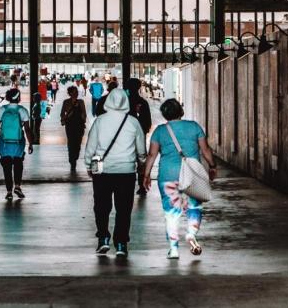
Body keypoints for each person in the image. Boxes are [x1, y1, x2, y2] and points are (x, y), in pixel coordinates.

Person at [142, 98, 217, 259]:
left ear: (164, 115)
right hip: (192, 176)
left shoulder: (160, 131)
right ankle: (191, 232)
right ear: (181, 112)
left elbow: (152, 155)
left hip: (168, 176)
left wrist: (146, 175)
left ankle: (173, 248)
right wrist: (212, 166)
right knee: (194, 207)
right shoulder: (194, 127)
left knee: (171, 212)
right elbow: (205, 150)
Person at [84, 89, 146, 258]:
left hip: (102, 171)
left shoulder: (100, 121)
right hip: (126, 171)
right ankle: (120, 243)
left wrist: (88, 164)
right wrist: (141, 162)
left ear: (108, 101)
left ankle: (103, 238)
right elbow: (141, 149)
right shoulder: (133, 122)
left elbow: (91, 146)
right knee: (124, 209)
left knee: (101, 207)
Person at [0, 88, 34, 200]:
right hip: (18, 143)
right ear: (19, 98)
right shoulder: (22, 110)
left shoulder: (2, 109)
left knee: (6, 167)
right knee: (18, 165)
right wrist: (30, 143)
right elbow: (27, 129)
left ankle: (9, 192)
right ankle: (17, 186)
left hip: (5, 143)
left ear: (7, 98)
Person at [124, 77, 154, 195]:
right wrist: (143, 131)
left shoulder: (124, 102)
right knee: (141, 160)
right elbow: (148, 122)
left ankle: (127, 185)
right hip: (140, 136)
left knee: (126, 160)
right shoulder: (143, 102)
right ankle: (142, 185)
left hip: (125, 136)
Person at [60, 85, 88, 171]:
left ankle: (74, 156)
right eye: (74, 92)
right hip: (70, 125)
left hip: (79, 125)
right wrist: (63, 119)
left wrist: (83, 119)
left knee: (78, 143)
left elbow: (84, 112)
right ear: (70, 93)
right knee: (71, 142)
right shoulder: (66, 102)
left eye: (77, 92)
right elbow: (62, 113)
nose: (76, 93)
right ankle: (72, 159)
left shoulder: (81, 102)